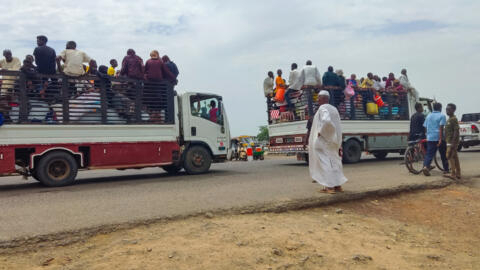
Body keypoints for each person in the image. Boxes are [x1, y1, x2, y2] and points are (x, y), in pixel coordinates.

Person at [308, 90, 347, 194]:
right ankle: (338, 186)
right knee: (334, 162)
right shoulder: (334, 109)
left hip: (325, 141)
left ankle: (329, 187)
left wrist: (321, 132)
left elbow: (326, 121)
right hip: (333, 141)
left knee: (325, 163)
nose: (317, 99)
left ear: (324, 98)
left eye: (319, 98)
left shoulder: (323, 108)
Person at [422, 102, 447, 176]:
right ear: (440, 108)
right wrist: (440, 139)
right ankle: (446, 169)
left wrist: (427, 136)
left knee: (429, 154)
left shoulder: (428, 116)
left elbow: (425, 127)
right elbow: (441, 128)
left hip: (430, 137)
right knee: (443, 154)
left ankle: (426, 166)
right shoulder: (442, 116)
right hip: (439, 137)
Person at [444, 103, 461, 180]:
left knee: (449, 156)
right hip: (449, 141)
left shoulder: (453, 119)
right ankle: (458, 173)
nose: (447, 111)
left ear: (453, 110)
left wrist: (453, 143)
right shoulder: (449, 119)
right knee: (455, 157)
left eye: (449, 109)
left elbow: (456, 131)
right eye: (446, 109)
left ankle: (453, 174)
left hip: (452, 142)